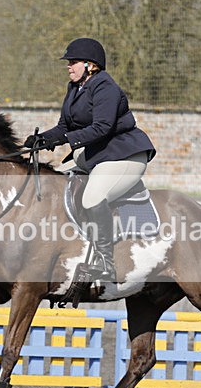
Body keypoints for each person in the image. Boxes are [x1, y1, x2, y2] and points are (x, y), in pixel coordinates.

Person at [26, 37, 156, 281]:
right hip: (98, 155)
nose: (69, 66)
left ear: (91, 65)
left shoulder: (105, 87)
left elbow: (102, 128)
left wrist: (63, 139)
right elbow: (63, 126)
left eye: (73, 62)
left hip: (124, 154)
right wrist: (41, 139)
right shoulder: (74, 88)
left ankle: (108, 264)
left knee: (92, 198)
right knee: (59, 187)